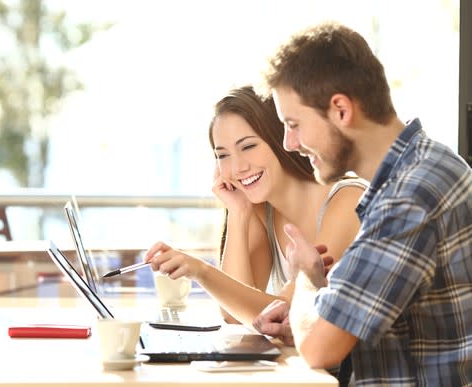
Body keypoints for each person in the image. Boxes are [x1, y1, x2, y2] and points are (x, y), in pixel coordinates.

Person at [251, 22, 472, 386]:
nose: (289, 143)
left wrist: (305, 279)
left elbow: (319, 349)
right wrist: (318, 299)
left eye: (294, 124)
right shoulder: (428, 166)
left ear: (340, 109)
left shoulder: (408, 196)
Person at [144, 85, 366, 334]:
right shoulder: (263, 209)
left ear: (281, 139)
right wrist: (239, 213)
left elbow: (284, 311)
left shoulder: (348, 201)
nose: (237, 168)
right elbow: (234, 315)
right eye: (223, 155)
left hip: (352, 371)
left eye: (248, 146)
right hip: (309, 365)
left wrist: (202, 271)